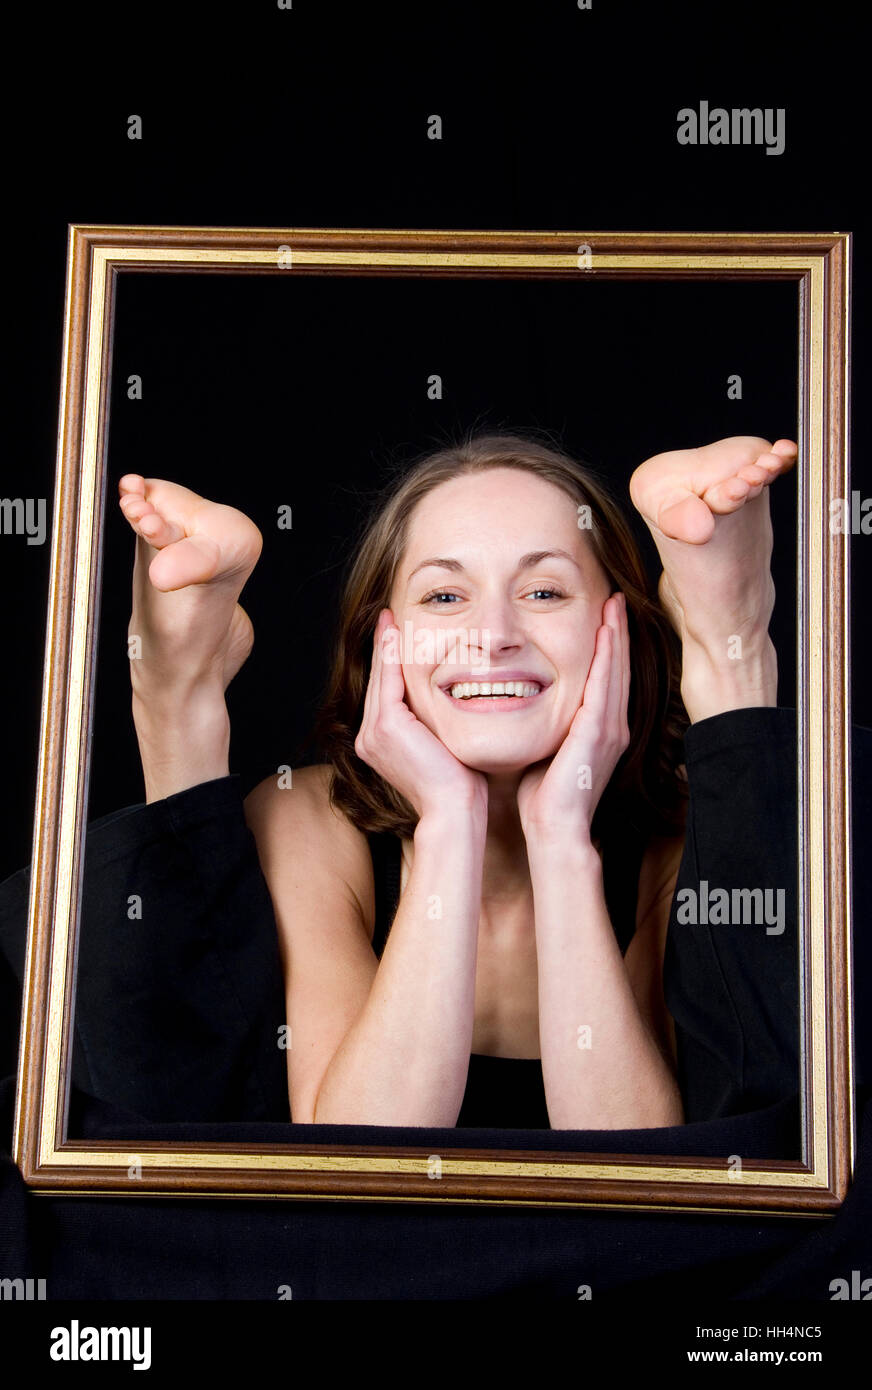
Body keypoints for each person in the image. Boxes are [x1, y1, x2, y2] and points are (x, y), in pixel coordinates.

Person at [116, 429, 797, 1130]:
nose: (493, 634)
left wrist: (560, 836)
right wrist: (448, 819)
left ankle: (723, 614)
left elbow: (647, 1185)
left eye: (543, 590)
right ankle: (177, 673)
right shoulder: (305, 820)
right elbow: (361, 1162)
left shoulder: (682, 841)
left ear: (615, 631)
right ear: (386, 641)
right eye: (443, 597)